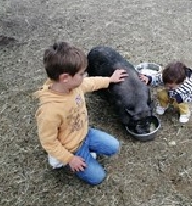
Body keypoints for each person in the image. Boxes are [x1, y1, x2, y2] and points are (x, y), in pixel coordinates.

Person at [34, 41, 128, 185]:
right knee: (98, 177)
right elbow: (48, 142)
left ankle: (86, 150)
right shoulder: (50, 112)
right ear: (65, 78)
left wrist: (110, 79)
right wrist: (70, 159)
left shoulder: (73, 86)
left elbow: (91, 83)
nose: (84, 76)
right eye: (81, 74)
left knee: (114, 146)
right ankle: (58, 160)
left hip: (85, 133)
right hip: (71, 148)